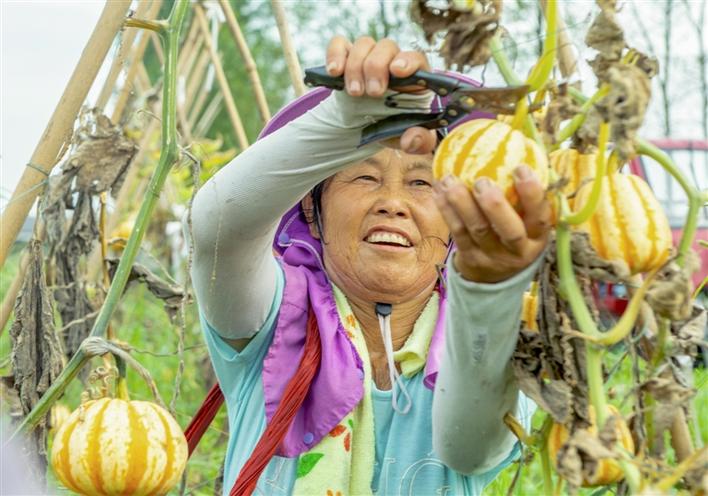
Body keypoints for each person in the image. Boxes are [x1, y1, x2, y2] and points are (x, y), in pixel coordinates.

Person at [190, 36, 551, 495]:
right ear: (310, 213)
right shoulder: (272, 321)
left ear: (457, 223)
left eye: (423, 182)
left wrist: (488, 293)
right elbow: (218, 228)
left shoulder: (494, 337)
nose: (393, 203)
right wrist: (343, 126)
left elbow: (470, 448)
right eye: (364, 175)